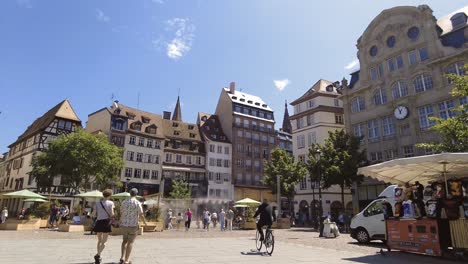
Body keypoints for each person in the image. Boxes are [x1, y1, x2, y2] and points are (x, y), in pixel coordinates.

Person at [119, 188, 147, 264]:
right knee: (130, 242)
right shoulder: (137, 203)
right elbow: (141, 214)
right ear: (136, 194)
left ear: (129, 193)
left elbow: (121, 212)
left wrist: (121, 221)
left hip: (124, 224)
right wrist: (144, 222)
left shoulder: (124, 202)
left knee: (124, 241)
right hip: (133, 225)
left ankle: (122, 257)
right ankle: (126, 260)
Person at [92, 189, 115, 264]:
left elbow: (93, 214)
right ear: (109, 195)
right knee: (104, 242)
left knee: (99, 240)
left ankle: (98, 256)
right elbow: (112, 214)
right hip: (106, 222)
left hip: (99, 222)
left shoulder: (97, 202)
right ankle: (98, 255)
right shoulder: (111, 203)